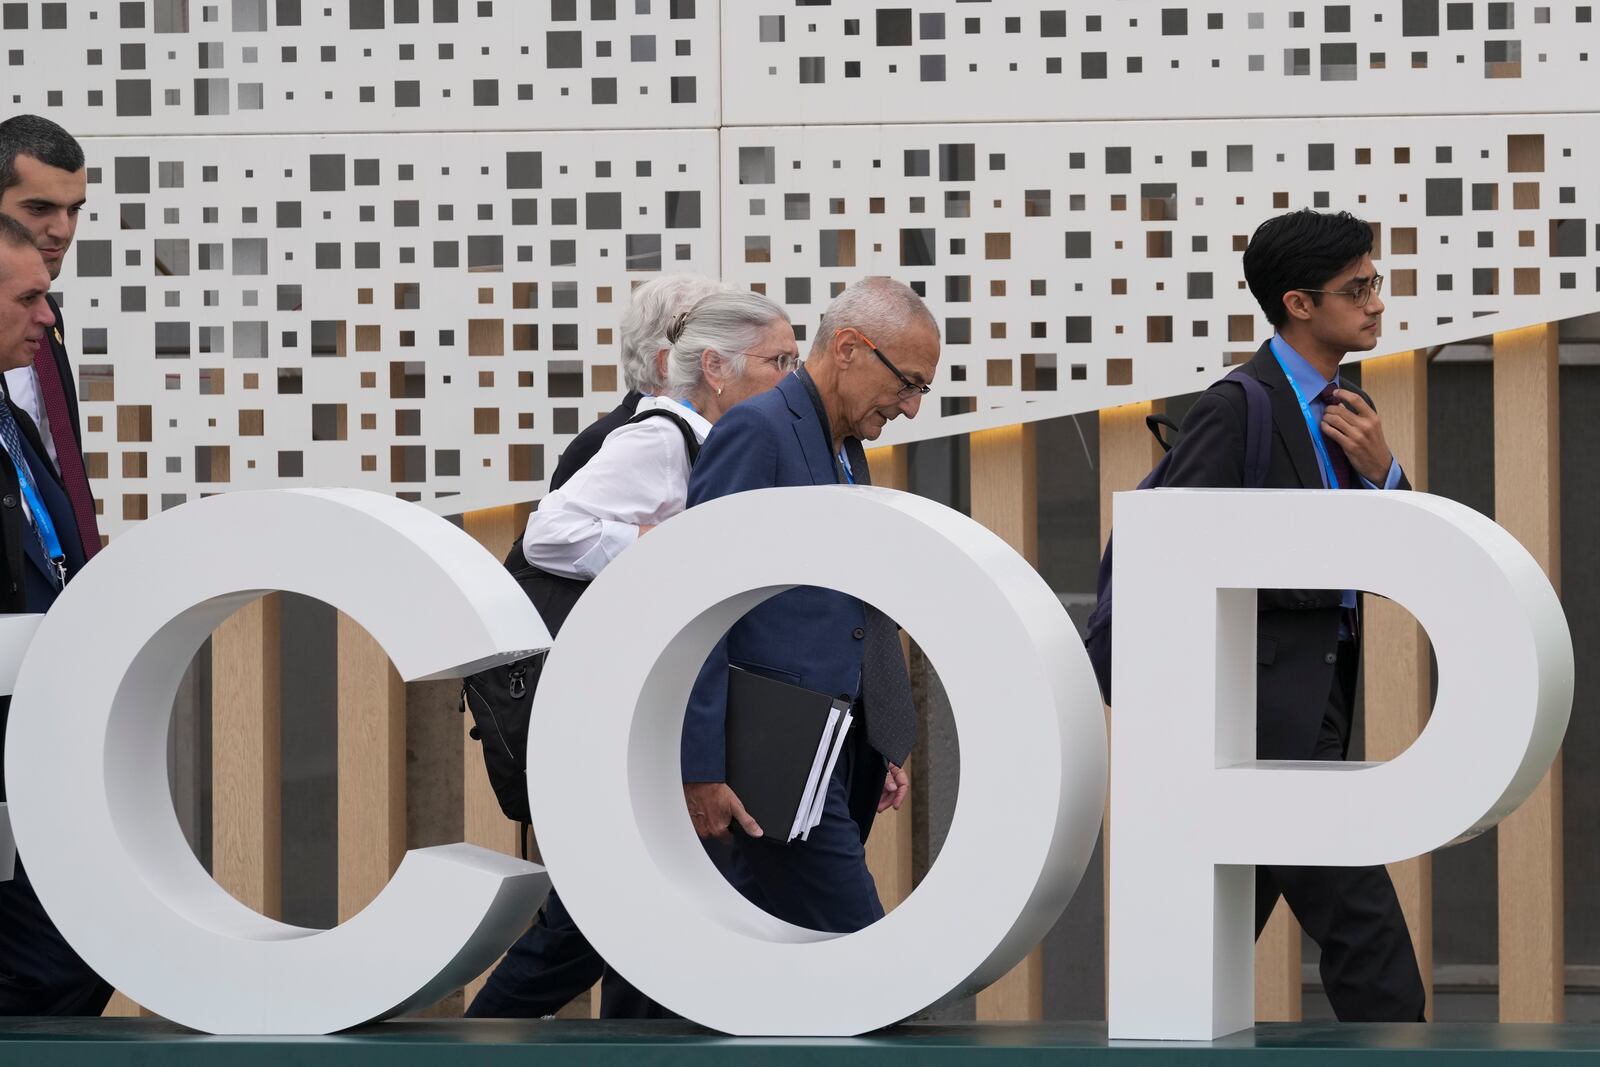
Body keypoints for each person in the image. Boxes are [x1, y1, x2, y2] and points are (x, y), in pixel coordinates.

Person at [468, 289, 797, 1019]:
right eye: (778, 360)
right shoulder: (657, 437)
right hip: (627, 716)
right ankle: (484, 1034)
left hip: (662, 711)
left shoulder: (725, 443)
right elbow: (552, 533)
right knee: (597, 915)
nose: (790, 377)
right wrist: (653, 552)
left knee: (638, 911)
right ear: (705, 363)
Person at [1159, 208, 1426, 1021]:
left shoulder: (1350, 408)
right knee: (1372, 950)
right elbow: (1172, 552)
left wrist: (1385, 476)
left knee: (1203, 946)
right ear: (1299, 303)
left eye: (1375, 282)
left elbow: (1399, 560)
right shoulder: (1237, 407)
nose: (1377, 302)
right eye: (1358, 288)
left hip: (1319, 702)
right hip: (1262, 712)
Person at [680, 276, 939, 933]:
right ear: (848, 347)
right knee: (861, 955)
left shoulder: (847, 447)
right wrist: (700, 764)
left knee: (772, 962)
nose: (911, 407)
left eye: (922, 389)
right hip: (770, 763)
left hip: (834, 750)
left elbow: (851, 603)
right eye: (907, 381)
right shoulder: (757, 431)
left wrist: (876, 734)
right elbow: (699, 599)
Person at [0, 215, 110, 1015]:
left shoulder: (17, 413)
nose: (48, 316)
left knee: (75, 951)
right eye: (29, 297)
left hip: (33, 730)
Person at [0, 117, 99, 559]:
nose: (62, 230)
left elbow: (59, 469)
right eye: (39, 209)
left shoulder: (47, 318)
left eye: (74, 209)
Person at [546, 273, 725, 492]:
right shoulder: (601, 443)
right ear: (667, 361)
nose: (725, 365)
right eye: (716, 352)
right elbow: (555, 524)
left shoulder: (706, 428)